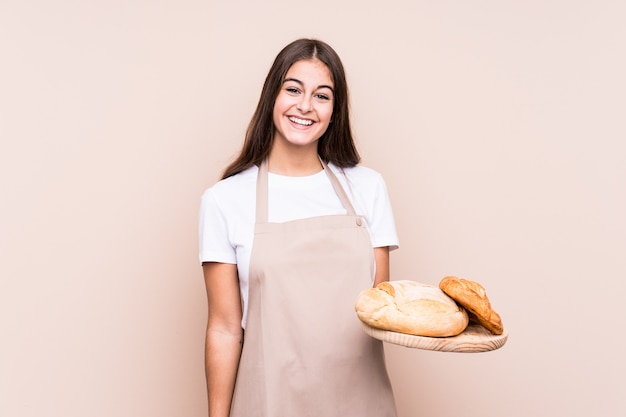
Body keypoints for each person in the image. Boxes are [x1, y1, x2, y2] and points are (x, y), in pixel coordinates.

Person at [199, 38, 399, 417]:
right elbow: (225, 328)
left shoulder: (368, 188)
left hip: (361, 403)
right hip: (270, 403)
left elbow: (381, 308)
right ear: (272, 96)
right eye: (293, 89)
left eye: (322, 96)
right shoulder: (223, 200)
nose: (305, 106)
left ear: (334, 111)